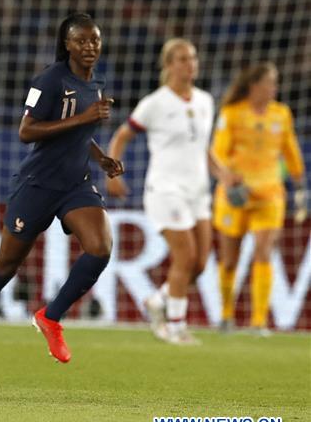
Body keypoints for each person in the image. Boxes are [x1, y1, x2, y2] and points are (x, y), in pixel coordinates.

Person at [0, 13, 123, 379]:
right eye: (82, 41)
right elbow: (27, 131)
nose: (89, 47)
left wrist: (101, 158)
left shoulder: (95, 85)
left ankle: (51, 316)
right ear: (67, 44)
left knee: (100, 247)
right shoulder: (49, 80)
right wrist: (84, 119)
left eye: (95, 40)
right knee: (5, 266)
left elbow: (81, 134)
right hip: (37, 185)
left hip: (76, 184)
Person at [106, 38, 236, 344]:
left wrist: (223, 174)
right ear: (168, 65)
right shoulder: (155, 103)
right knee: (185, 255)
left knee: (201, 263)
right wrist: (113, 171)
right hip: (165, 189)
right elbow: (122, 135)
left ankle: (158, 299)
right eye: (181, 58)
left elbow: (202, 148)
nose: (189, 64)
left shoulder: (205, 101)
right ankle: (175, 326)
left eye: (192, 58)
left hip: (198, 191)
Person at [212, 62, 306, 336]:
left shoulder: (282, 114)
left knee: (264, 252)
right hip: (235, 195)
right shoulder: (231, 114)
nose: (275, 88)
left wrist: (300, 183)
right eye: (271, 82)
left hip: (270, 193)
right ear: (255, 86)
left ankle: (258, 321)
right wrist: (228, 177)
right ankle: (226, 316)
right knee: (230, 259)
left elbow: (290, 149)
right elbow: (217, 151)